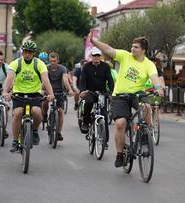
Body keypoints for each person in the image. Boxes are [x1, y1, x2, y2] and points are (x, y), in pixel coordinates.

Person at [89, 34, 164, 167]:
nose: (132, 49)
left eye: (136, 47)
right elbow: (108, 48)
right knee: (120, 123)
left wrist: (158, 88)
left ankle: (146, 133)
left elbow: (154, 77)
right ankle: (119, 154)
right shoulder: (125, 56)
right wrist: (94, 42)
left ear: (143, 50)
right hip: (120, 95)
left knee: (146, 106)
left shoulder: (149, 64)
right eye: (132, 46)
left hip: (137, 94)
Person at [3, 40, 54, 152]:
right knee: (17, 113)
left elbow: (45, 80)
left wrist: (51, 94)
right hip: (19, 94)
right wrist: (5, 92)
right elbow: (9, 78)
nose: (27, 54)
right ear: (22, 52)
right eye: (25, 51)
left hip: (35, 94)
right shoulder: (16, 63)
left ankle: (34, 130)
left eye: (30, 52)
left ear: (33, 53)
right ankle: (15, 141)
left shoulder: (39, 64)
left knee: (37, 112)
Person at [80, 47, 114, 147]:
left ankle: (105, 141)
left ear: (101, 56)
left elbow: (110, 80)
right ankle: (85, 122)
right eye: (94, 55)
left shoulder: (106, 66)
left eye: (98, 55)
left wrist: (112, 92)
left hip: (102, 93)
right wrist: (82, 91)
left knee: (104, 114)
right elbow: (83, 80)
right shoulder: (86, 66)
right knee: (89, 102)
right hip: (90, 92)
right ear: (91, 56)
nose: (96, 57)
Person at [42, 52, 74, 141]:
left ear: (58, 61)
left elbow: (65, 79)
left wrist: (69, 90)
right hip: (48, 91)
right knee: (44, 102)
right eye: (51, 61)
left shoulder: (62, 69)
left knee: (60, 112)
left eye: (54, 61)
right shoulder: (46, 68)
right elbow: (44, 80)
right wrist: (41, 89)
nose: (52, 63)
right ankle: (44, 114)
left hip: (59, 92)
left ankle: (58, 132)